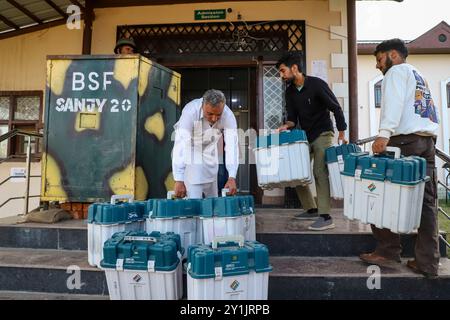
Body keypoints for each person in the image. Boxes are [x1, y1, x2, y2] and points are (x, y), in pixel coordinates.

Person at [359, 39, 440, 278]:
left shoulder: (395, 72)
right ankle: (427, 262)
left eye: (378, 59)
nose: (377, 65)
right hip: (426, 143)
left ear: (393, 55)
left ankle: (387, 250)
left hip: (404, 142)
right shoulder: (418, 74)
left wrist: (383, 135)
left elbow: (392, 105)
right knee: (427, 203)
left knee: (378, 193)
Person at [276, 52, 348, 231]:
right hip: (305, 136)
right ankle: (311, 208)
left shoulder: (316, 84)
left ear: (294, 68)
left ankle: (325, 216)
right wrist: (286, 126)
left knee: (319, 171)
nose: (282, 75)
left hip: (323, 133)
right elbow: (292, 119)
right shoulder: (290, 91)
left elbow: (336, 108)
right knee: (296, 171)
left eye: (283, 71)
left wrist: (341, 132)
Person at [172, 89, 239, 199]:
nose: (214, 118)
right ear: (203, 105)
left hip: (211, 152)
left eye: (218, 115)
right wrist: (179, 179)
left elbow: (232, 146)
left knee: (212, 199)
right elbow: (181, 145)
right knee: (194, 197)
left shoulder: (228, 116)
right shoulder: (190, 111)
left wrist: (232, 176)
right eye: (210, 114)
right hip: (191, 151)